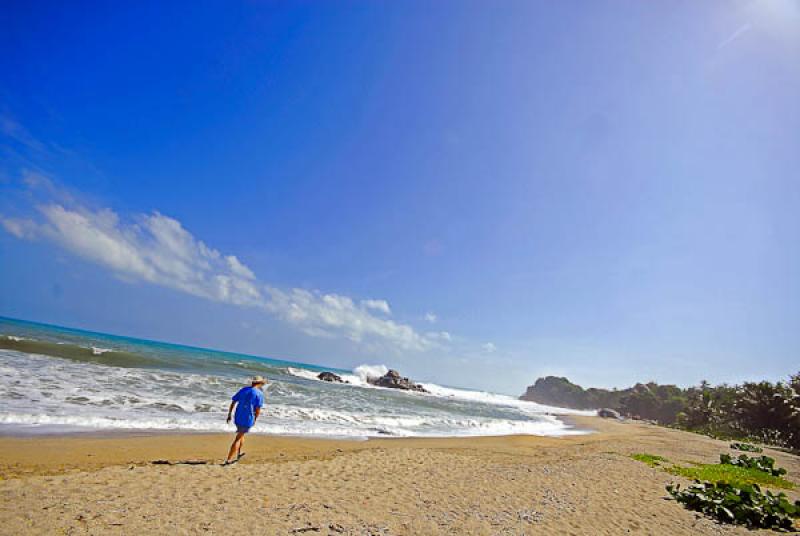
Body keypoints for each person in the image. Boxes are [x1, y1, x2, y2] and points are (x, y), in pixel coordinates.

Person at [224, 375, 266, 465]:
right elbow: (258, 409)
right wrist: (255, 419)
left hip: (238, 416)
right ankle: (229, 459)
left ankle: (238, 453)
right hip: (247, 418)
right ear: (260, 383)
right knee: (238, 438)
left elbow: (233, 401)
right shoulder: (259, 394)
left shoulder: (244, 390)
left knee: (241, 434)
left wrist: (229, 414)